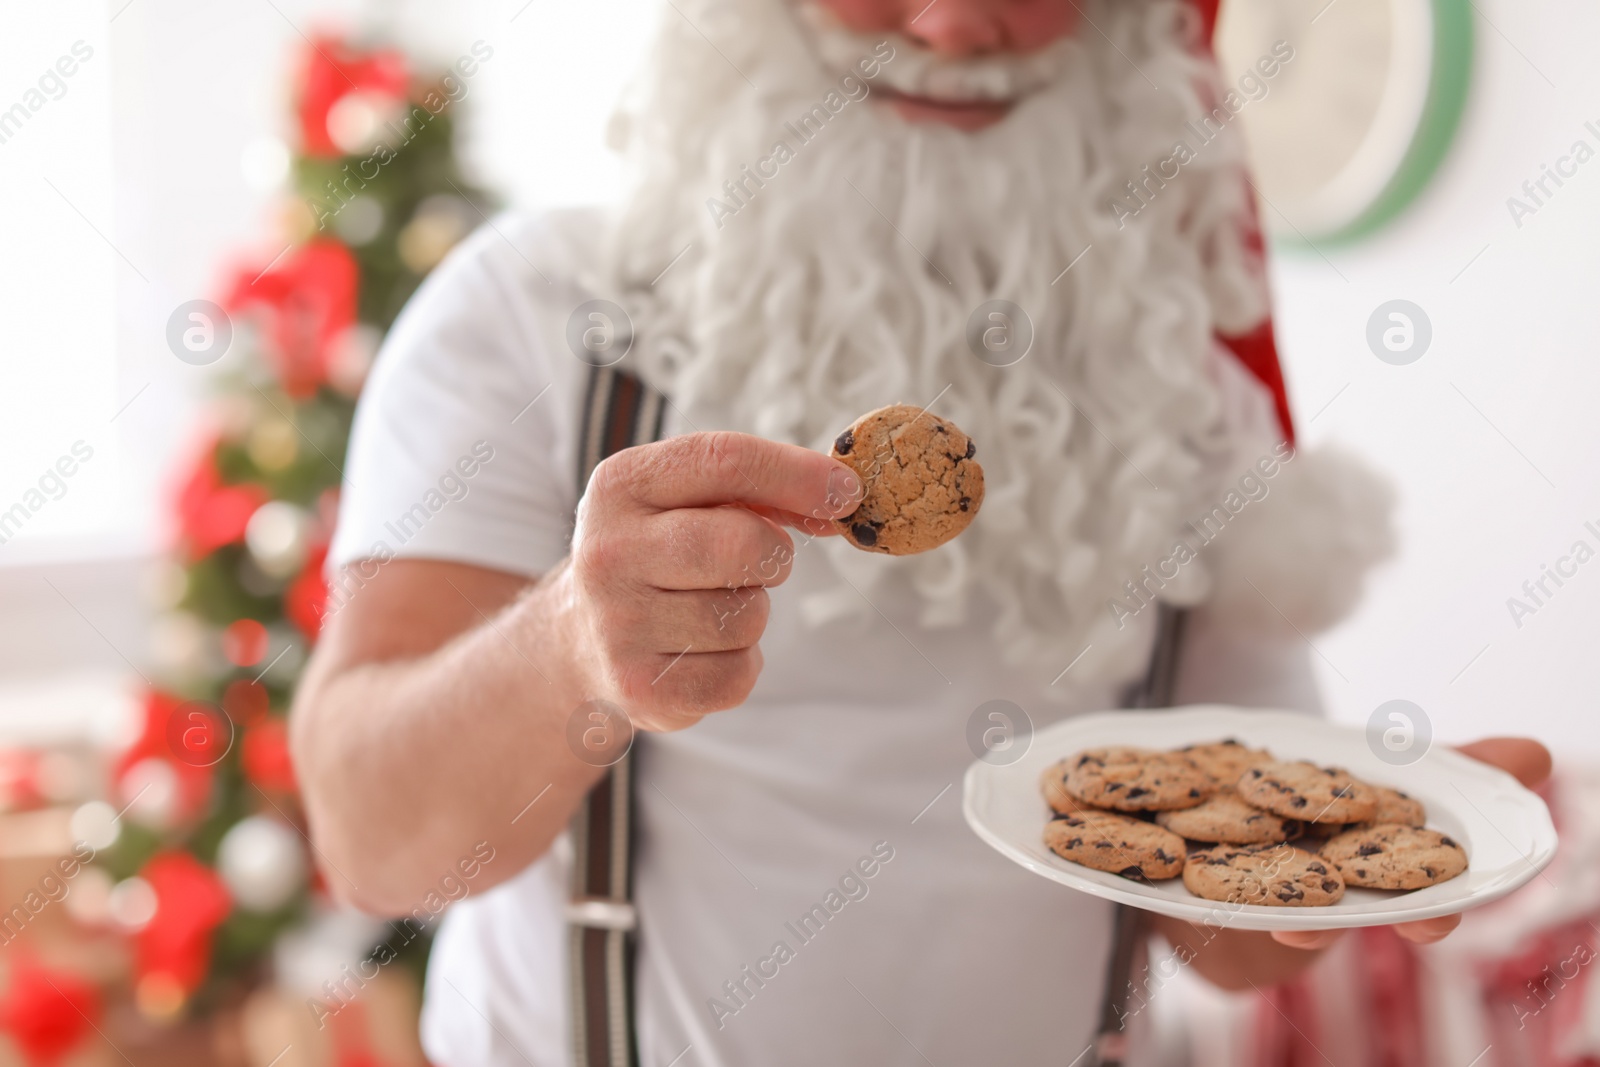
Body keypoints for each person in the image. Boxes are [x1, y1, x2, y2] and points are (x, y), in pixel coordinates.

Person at [290, 0, 1552, 1063]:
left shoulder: (1174, 384)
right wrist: (565, 647)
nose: (953, 28)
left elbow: (1218, 938)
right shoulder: (527, 316)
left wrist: (1372, 838)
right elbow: (373, 846)